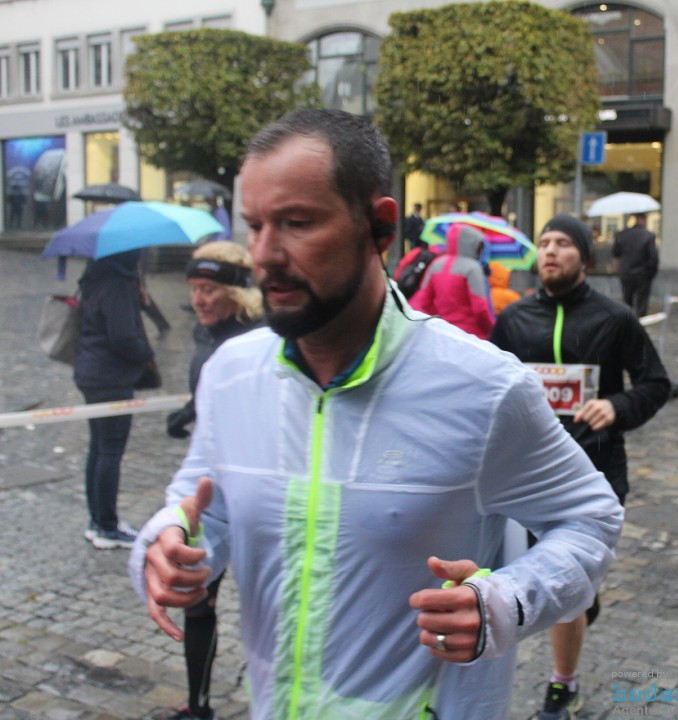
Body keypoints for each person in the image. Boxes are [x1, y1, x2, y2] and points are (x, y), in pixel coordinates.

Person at [129, 109, 623, 720]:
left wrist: (506, 601)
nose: (264, 254)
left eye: (297, 223)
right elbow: (205, 501)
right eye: (254, 225)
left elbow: (591, 520)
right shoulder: (231, 374)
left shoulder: (485, 388)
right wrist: (169, 543)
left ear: (380, 227)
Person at [489, 213, 669, 720]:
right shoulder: (514, 321)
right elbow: (487, 390)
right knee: (556, 586)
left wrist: (616, 407)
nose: (549, 251)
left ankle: (562, 687)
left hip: (595, 473)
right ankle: (579, 611)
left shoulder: (615, 319)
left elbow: (655, 383)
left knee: (568, 588)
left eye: (563, 243)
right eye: (544, 242)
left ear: (585, 258)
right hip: (526, 478)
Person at [163, 241, 264, 720]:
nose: (199, 299)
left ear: (238, 292)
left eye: (210, 289)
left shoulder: (257, 340)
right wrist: (190, 414)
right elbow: (210, 400)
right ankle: (198, 705)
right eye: (194, 289)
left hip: (255, 493)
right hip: (210, 489)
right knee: (198, 599)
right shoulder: (210, 334)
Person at [75, 249, 155, 549]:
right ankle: (106, 526)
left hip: (91, 373)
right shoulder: (117, 285)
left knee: (98, 449)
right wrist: (146, 354)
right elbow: (122, 336)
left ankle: (98, 520)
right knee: (109, 451)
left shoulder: (95, 277)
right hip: (110, 378)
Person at [408, 222, 495, 338]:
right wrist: (491, 329)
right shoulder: (473, 268)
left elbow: (424, 301)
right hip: (472, 335)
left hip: (444, 332)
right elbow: (480, 309)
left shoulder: (436, 265)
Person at [613, 212, 659, 317]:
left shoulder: (622, 234)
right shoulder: (648, 236)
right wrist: (651, 273)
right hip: (643, 274)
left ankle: (628, 323)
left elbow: (616, 252)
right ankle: (640, 324)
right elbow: (653, 258)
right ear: (642, 219)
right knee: (642, 302)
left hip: (626, 273)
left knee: (627, 300)